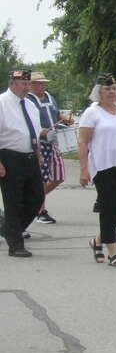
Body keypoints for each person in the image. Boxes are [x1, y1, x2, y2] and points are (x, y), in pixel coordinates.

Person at [77, 73, 116, 266]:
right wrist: (83, 169)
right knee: (108, 207)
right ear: (99, 92)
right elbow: (83, 141)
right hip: (102, 165)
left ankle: (98, 241)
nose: (111, 92)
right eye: (106, 89)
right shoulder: (92, 112)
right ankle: (113, 253)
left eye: (113, 89)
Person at [0, 68, 45, 257]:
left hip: (30, 156)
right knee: (13, 202)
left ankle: (9, 229)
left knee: (36, 198)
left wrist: (38, 152)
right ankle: (16, 244)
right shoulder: (2, 103)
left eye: (28, 84)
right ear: (12, 83)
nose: (27, 87)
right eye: (23, 84)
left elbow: (33, 130)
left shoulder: (30, 105)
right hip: (9, 157)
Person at [28, 71, 68, 224]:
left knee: (58, 176)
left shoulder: (49, 97)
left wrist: (64, 119)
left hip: (54, 140)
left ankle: (34, 200)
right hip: (40, 142)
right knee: (42, 177)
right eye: (39, 83)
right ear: (31, 85)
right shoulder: (28, 100)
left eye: (43, 83)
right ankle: (40, 209)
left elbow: (56, 114)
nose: (42, 85)